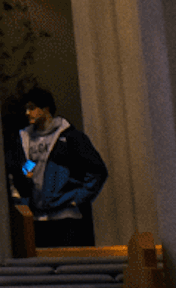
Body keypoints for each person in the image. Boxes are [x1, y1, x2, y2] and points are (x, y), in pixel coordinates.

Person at [12, 85, 108, 249]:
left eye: (32, 108)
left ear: (45, 108)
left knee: (68, 264)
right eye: (26, 109)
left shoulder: (69, 138)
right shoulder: (28, 140)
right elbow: (32, 163)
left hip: (65, 217)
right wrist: (23, 183)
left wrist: (76, 198)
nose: (28, 113)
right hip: (37, 217)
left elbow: (97, 170)